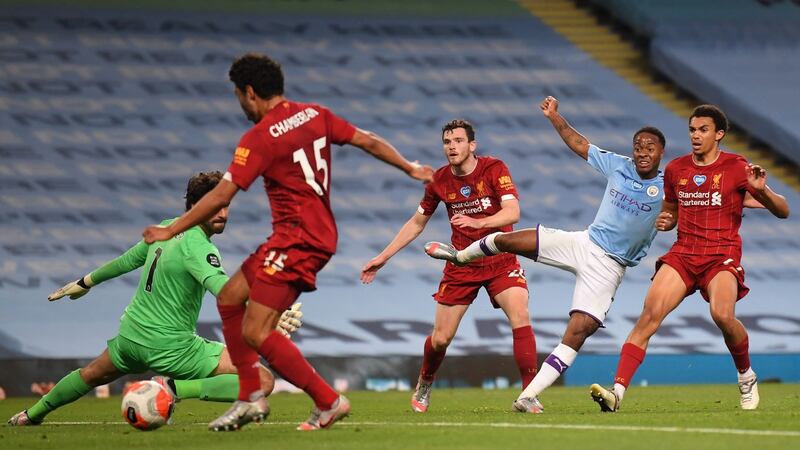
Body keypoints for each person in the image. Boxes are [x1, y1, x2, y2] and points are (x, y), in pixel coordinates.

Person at [142, 53, 433, 431]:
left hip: (299, 239)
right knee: (229, 296)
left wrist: (171, 229)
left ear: (250, 93)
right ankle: (251, 398)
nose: (241, 105)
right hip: (304, 234)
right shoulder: (316, 114)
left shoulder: (259, 137)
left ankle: (328, 402)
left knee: (256, 331)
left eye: (238, 97)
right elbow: (369, 140)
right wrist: (410, 167)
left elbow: (220, 196)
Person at [425, 96, 666, 413]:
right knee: (509, 239)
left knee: (578, 332)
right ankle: (460, 256)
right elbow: (580, 144)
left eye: (649, 148)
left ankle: (527, 396)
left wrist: (672, 220)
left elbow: (680, 211)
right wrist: (555, 117)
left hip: (610, 267)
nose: (642, 153)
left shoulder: (668, 185)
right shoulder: (620, 165)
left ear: (661, 153)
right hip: (584, 243)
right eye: (638, 146)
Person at [7, 171, 303, 426]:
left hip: (131, 338)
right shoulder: (198, 246)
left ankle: (31, 415)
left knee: (90, 374)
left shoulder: (167, 226)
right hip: (171, 348)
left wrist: (85, 282)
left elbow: (126, 261)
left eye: (226, 205)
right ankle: (171, 389)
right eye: (216, 207)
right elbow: (223, 290)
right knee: (263, 380)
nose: (223, 213)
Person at [590, 104, 790, 412]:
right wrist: (667, 221)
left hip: (721, 254)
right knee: (648, 317)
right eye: (692, 130)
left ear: (719, 134)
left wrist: (761, 192)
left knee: (722, 315)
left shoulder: (737, 167)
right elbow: (671, 210)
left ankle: (746, 376)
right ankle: (617, 392)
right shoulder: (676, 169)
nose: (696, 136)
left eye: (703, 130)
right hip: (684, 253)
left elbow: (783, 210)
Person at [361, 119, 537, 413]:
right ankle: (425, 383)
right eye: (447, 141)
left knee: (520, 314)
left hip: (499, 257)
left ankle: (529, 394)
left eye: (457, 140)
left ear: (472, 145)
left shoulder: (494, 169)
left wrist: (480, 223)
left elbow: (513, 212)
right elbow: (417, 222)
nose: (452, 146)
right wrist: (384, 256)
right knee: (441, 339)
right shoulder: (439, 180)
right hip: (461, 263)